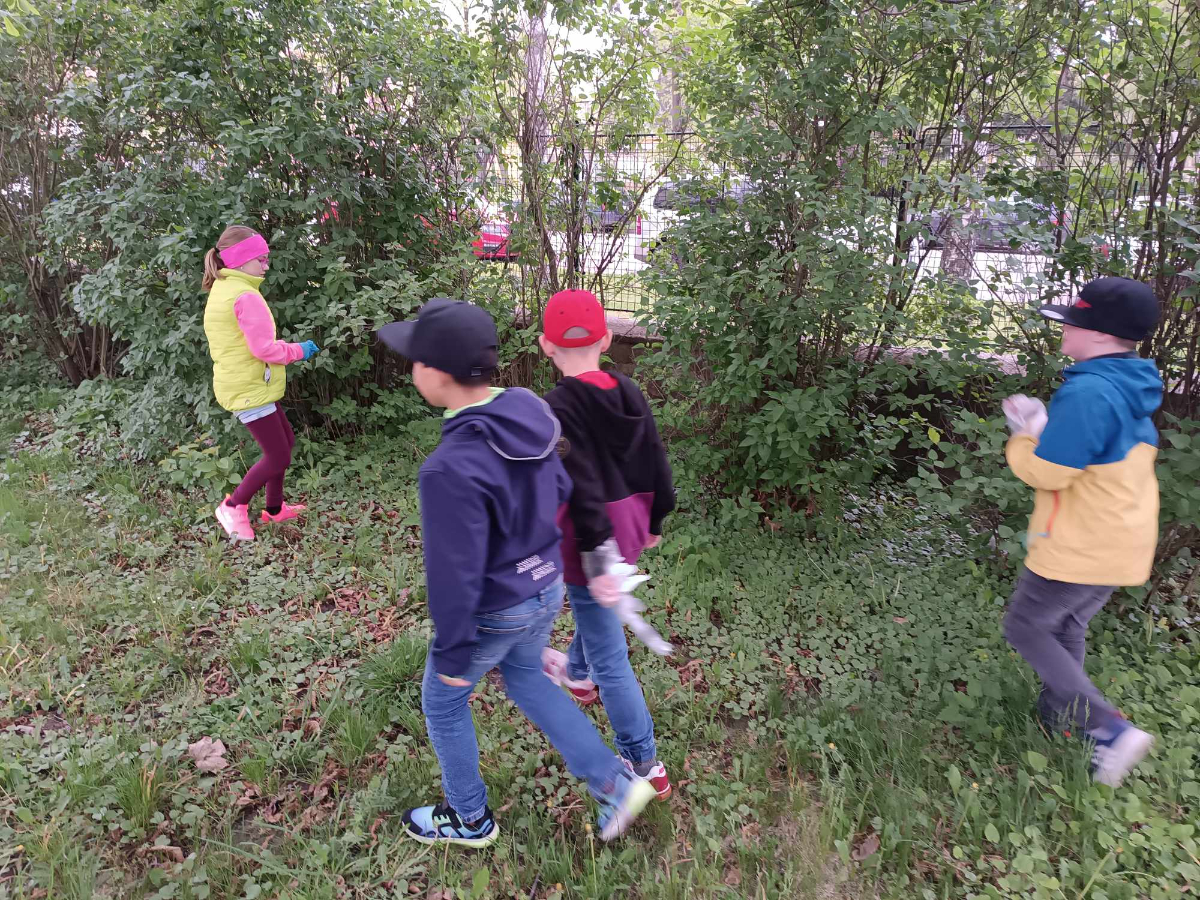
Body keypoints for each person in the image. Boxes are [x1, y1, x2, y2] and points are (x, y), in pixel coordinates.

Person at [376, 298, 656, 847]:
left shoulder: (448, 468)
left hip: (498, 606)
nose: (412, 369)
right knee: (525, 676)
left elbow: (454, 576)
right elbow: (564, 488)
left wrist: (454, 653)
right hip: (546, 584)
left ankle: (468, 818)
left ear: (436, 373)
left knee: (443, 700)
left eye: (415, 360)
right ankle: (615, 783)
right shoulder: (529, 412)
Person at [1002, 276, 1161, 787]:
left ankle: (1110, 729)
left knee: (1025, 626)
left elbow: (1048, 472)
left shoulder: (1089, 391)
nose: (1064, 329)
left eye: (1072, 321)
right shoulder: (1127, 384)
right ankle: (1060, 720)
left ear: (1098, 333)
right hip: (1121, 541)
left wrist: (1024, 435)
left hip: (1081, 544)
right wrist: (1046, 427)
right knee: (1066, 626)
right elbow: (1091, 455)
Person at [537, 289, 675, 800]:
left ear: (546, 346)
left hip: (590, 545)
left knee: (612, 659)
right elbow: (656, 456)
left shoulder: (554, 407)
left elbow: (580, 486)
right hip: (630, 524)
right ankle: (577, 674)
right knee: (596, 618)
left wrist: (596, 558)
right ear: (608, 339)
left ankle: (644, 762)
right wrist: (657, 515)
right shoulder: (629, 390)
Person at [202, 225, 321, 542]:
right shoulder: (245, 295)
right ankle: (232, 506)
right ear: (242, 260)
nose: (267, 265)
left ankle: (274, 509)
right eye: (262, 259)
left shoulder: (225, 287)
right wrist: (299, 350)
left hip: (246, 381)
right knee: (278, 455)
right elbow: (263, 349)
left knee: (285, 443)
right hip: (248, 386)